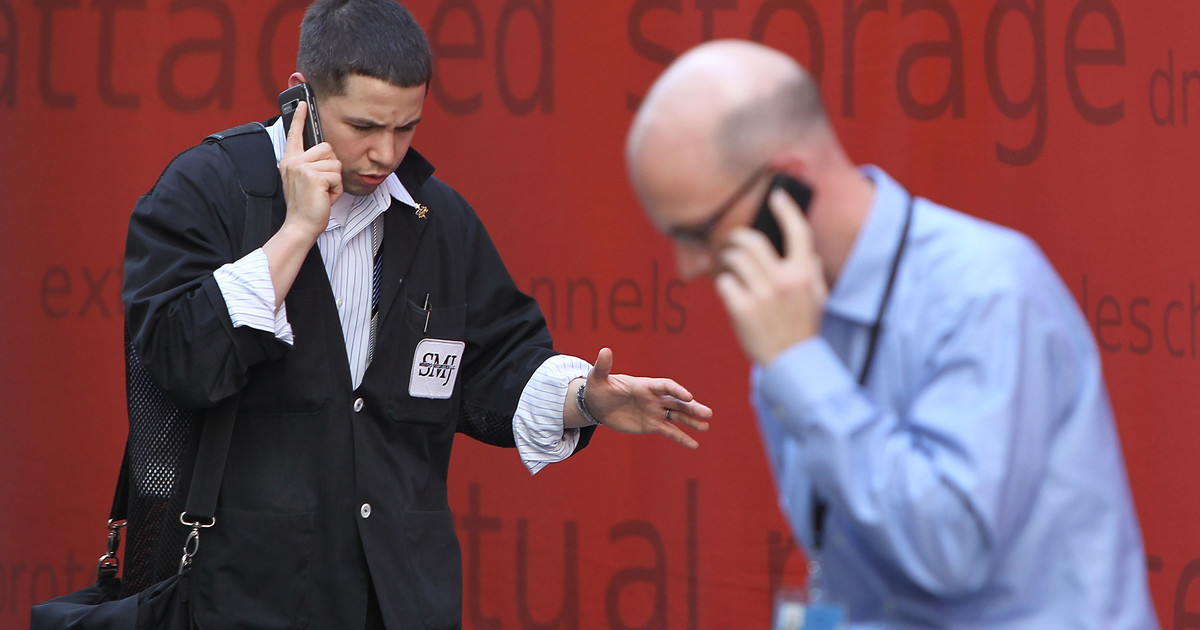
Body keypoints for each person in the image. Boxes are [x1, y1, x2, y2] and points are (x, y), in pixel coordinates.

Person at [120, 1, 712, 628]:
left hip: (399, 598)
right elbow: (179, 361)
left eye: (406, 128)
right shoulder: (208, 189)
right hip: (240, 596)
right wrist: (295, 232)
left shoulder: (439, 217)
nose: (385, 153)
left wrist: (585, 400)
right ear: (302, 96)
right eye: (364, 126)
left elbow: (494, 362)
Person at [625, 40, 1158, 629]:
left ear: (788, 187)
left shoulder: (986, 293)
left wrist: (800, 365)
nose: (688, 266)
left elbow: (950, 549)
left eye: (699, 232)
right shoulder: (791, 314)